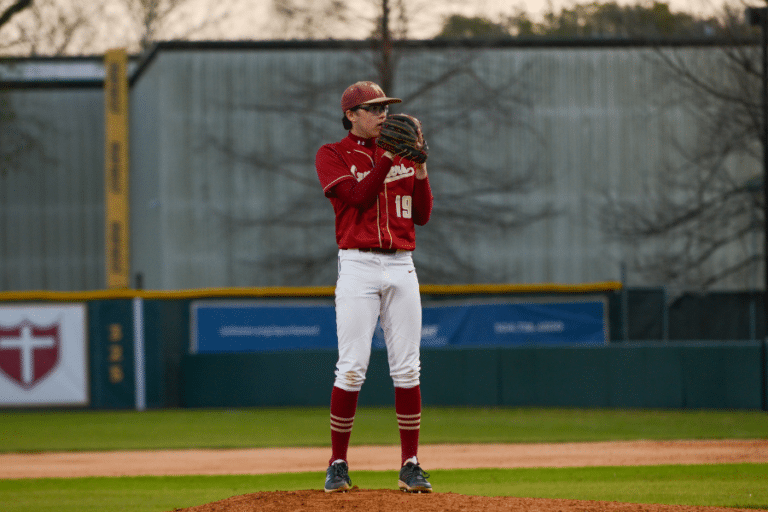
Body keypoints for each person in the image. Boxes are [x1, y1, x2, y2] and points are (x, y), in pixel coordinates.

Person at [315, 81, 434, 494]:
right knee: (351, 367)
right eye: (373, 108)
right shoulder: (332, 154)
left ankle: (411, 463)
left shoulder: (399, 155)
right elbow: (360, 199)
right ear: (351, 115)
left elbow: (422, 215)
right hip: (358, 265)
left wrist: (419, 170)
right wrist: (388, 158)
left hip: (402, 264)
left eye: (385, 107)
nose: (383, 115)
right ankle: (338, 463)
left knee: (407, 367)